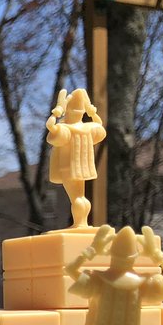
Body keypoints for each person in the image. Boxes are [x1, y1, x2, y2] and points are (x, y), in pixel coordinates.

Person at [46, 87, 106, 230]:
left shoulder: (66, 129)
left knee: (76, 198)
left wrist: (57, 110)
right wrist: (93, 112)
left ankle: (79, 223)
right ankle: (83, 222)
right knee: (81, 196)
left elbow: (50, 127)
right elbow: (100, 126)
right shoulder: (90, 128)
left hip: (68, 168)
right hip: (83, 169)